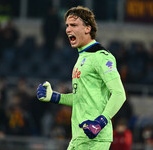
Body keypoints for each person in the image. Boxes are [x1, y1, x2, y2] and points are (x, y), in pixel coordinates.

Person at [36, 6, 126, 150]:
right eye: (67, 26)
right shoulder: (82, 58)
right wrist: (55, 97)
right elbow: (81, 98)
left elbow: (119, 94)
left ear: (87, 28)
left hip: (95, 139)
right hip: (78, 138)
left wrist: (100, 122)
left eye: (74, 25)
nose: (68, 30)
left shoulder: (101, 56)